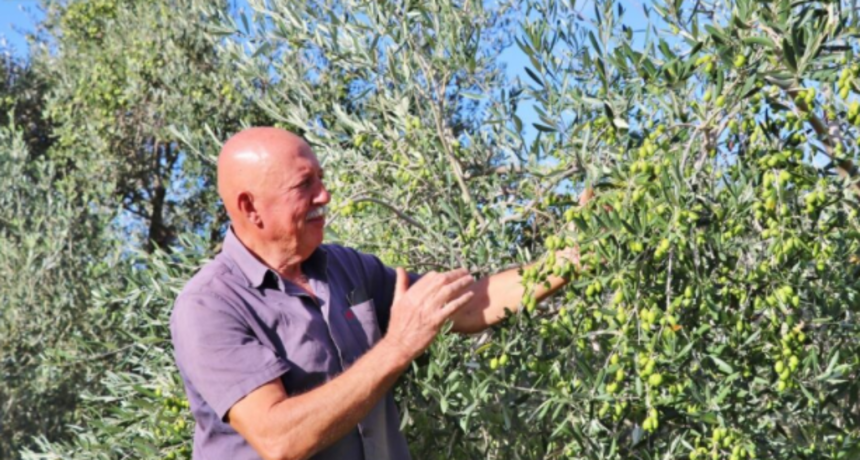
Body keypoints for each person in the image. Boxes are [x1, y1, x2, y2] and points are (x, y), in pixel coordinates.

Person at [170, 127, 579, 460]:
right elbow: (280, 439)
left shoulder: (347, 268)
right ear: (250, 207)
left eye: (321, 178)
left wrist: (571, 258)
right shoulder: (209, 306)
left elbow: (469, 305)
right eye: (304, 184)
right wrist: (399, 345)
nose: (324, 195)